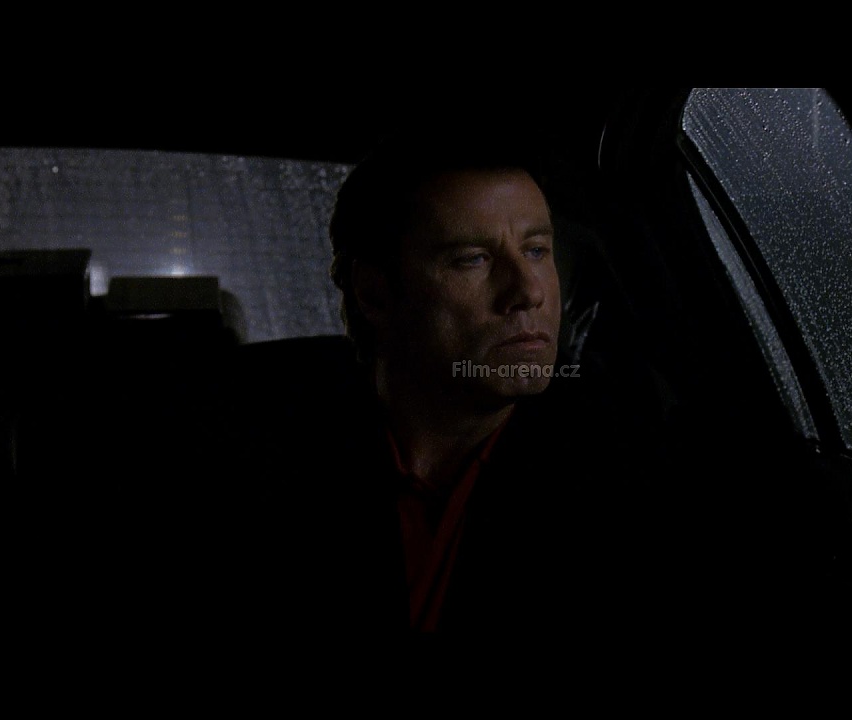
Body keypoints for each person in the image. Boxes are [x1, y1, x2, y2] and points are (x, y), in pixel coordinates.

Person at [214, 129, 657, 633]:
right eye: (473, 259)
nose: (528, 291)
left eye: (537, 250)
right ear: (375, 292)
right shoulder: (257, 451)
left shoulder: (618, 466)